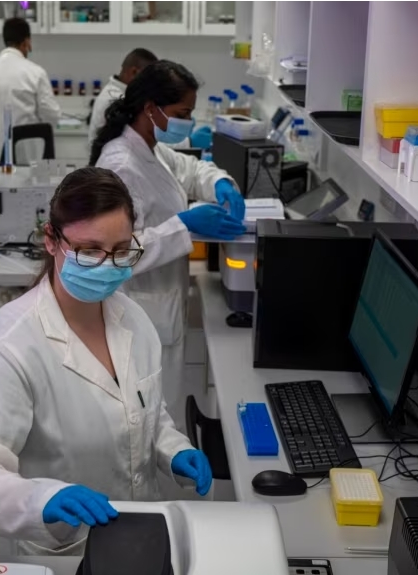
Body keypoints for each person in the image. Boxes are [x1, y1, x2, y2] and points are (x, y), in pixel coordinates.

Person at [0, 167, 213, 556]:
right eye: (89, 250)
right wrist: (42, 499)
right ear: (51, 240)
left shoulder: (134, 319)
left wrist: (173, 450)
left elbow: (143, 412)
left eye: (121, 251)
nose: (107, 265)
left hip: (140, 534)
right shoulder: (6, 347)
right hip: (61, 552)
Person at [90, 61, 246, 432]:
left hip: (161, 305)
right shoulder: (121, 165)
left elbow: (191, 171)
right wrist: (183, 227)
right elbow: (113, 256)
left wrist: (221, 183)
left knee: (160, 419)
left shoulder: (150, 146)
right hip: (138, 311)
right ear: (150, 108)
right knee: (145, 423)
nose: (187, 123)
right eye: (182, 114)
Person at [0, 17, 60, 167]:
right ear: (27, 42)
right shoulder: (36, 73)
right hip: (25, 158)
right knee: (25, 189)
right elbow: (52, 115)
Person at [87, 48, 158, 151]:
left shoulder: (122, 93)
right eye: (150, 79)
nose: (151, 85)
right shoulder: (114, 98)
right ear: (134, 72)